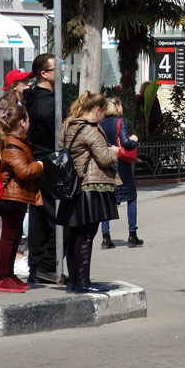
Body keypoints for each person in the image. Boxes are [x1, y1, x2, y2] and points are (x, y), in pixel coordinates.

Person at [58, 91, 120, 293]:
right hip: (91, 186)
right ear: (97, 109)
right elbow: (104, 158)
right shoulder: (92, 129)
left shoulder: (67, 126)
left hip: (72, 186)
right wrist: (115, 153)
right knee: (86, 236)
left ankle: (75, 281)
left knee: (74, 235)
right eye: (104, 112)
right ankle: (83, 282)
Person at [0, 105, 43, 293]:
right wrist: (39, 165)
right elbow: (24, 171)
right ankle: (1, 278)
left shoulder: (16, 141)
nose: (29, 123)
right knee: (9, 237)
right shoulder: (12, 145)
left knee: (14, 236)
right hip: (9, 197)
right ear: (22, 123)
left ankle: (9, 275)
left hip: (16, 196)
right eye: (27, 120)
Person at [24, 53, 59, 285]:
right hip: (48, 165)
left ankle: (36, 266)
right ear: (43, 74)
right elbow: (56, 136)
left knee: (39, 217)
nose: (61, 72)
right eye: (57, 69)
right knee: (59, 219)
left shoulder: (30, 99)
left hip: (36, 163)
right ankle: (46, 266)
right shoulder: (47, 103)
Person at [99, 97, 142, 249]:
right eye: (121, 104)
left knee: (107, 199)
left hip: (106, 164)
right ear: (116, 106)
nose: (122, 107)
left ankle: (105, 236)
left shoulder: (101, 121)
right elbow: (125, 142)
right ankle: (132, 234)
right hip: (121, 165)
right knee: (131, 198)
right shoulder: (120, 121)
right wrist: (134, 139)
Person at [0, 69, 31, 145]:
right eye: (24, 81)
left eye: (28, 80)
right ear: (14, 86)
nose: (29, 84)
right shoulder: (2, 109)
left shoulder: (23, 105)